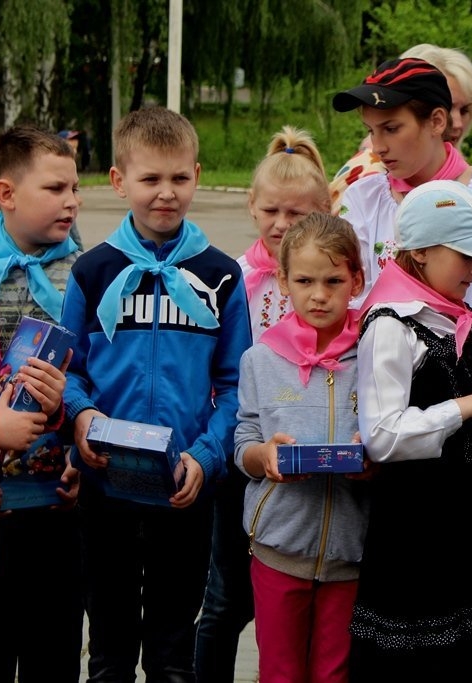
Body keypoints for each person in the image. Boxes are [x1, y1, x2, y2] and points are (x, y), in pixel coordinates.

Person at [61, 106, 250, 681]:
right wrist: (81, 416)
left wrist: (207, 456)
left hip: (183, 492)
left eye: (179, 178)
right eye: (150, 179)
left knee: (172, 655)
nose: (166, 193)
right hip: (105, 490)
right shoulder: (92, 271)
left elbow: (236, 385)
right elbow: (69, 370)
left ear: (196, 175)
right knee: (110, 651)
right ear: (119, 181)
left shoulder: (222, 275)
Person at [350, 180, 472, 682]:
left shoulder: (461, 322)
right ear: (419, 252)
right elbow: (383, 436)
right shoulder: (390, 326)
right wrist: (469, 405)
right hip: (417, 543)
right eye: (465, 256)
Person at [194, 125, 330, 682]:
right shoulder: (232, 279)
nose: (280, 224)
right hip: (241, 456)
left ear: (325, 210)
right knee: (225, 599)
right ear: (251, 205)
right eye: (270, 210)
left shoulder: (331, 282)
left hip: (312, 464)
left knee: (303, 596)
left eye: (296, 214)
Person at [0, 125, 84, 683]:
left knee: (53, 653)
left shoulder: (87, 272)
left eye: (74, 188)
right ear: (6, 194)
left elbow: (97, 374)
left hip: (60, 501)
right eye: (55, 189)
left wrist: (80, 440)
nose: (71, 201)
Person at [332, 57, 472, 381]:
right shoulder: (362, 198)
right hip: (382, 387)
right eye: (371, 131)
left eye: (391, 129)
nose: (378, 147)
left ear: (436, 121)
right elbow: (353, 300)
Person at [235, 212, 369, 683]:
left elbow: (398, 437)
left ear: (357, 280)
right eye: (305, 281)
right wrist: (263, 457)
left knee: (334, 673)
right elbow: (245, 440)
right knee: (279, 671)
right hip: (278, 548)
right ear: (282, 281)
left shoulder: (377, 355)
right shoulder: (260, 358)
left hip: (353, 552)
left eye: (334, 281)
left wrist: (373, 459)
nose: (319, 295)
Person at [329, 45, 472, 212]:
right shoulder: (366, 184)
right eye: (449, 106)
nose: (457, 122)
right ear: (436, 119)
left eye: (464, 110)